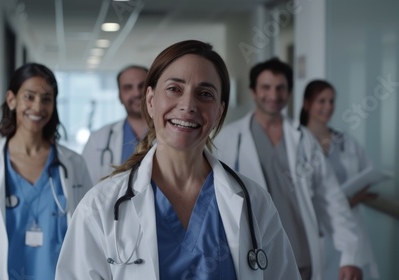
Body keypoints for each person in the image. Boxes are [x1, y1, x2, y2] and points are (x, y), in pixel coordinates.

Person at [55, 40, 301, 279]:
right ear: (151, 101)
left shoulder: (254, 202)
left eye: (205, 94)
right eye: (174, 89)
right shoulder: (99, 207)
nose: (188, 105)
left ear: (219, 112)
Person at [214, 58, 363, 280]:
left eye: (280, 88)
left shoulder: (304, 139)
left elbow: (331, 198)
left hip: (300, 253)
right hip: (251, 251)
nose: (273, 95)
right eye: (266, 87)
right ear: (253, 91)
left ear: (289, 92)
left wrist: (350, 253)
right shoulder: (228, 138)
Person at [0, 63, 92, 280]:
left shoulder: (74, 165)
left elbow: (89, 234)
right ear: (11, 99)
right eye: (29, 96)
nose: (37, 107)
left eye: (46, 98)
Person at [300, 79, 379, 279]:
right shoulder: (297, 143)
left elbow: (368, 171)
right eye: (322, 101)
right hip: (317, 231)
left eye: (331, 101)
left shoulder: (344, 140)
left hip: (351, 224)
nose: (328, 107)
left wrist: (356, 197)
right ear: (307, 103)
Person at [82, 65, 148, 183]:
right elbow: (88, 184)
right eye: (128, 87)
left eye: (142, 86)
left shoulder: (170, 133)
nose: (137, 93)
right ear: (119, 96)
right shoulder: (98, 139)